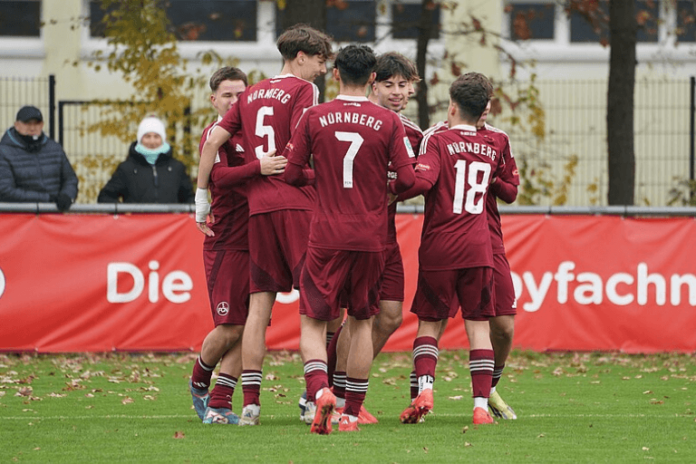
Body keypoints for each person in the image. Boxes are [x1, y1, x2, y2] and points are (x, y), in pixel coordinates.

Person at [195, 24, 332, 426]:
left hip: (259, 211)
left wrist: (200, 199)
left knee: (257, 309)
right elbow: (303, 145)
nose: (323, 69)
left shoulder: (252, 92)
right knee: (317, 306)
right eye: (320, 60)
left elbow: (212, 141)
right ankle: (313, 397)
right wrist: (312, 176)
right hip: (296, 207)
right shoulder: (303, 90)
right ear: (301, 56)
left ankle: (250, 404)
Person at [284, 44, 416, 434]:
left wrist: (319, 177)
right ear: (373, 78)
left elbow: (291, 175)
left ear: (336, 73)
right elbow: (407, 181)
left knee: (313, 321)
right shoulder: (389, 121)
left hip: (326, 233)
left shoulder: (314, 116)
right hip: (372, 236)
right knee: (361, 322)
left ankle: (319, 390)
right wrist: (381, 184)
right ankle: (350, 413)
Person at [395, 72, 503, 426]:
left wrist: (395, 182)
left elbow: (422, 181)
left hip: (440, 246)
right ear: (482, 111)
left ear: (452, 107)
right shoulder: (493, 146)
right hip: (479, 246)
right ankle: (480, 408)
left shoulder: (437, 140)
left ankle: (425, 388)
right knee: (479, 327)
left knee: (429, 323)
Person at [325, 52, 423, 424]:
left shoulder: (411, 132)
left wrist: (397, 187)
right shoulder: (346, 120)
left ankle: (345, 390)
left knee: (391, 315)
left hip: (385, 236)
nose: (397, 92)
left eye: (404, 84)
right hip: (348, 233)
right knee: (354, 316)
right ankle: (336, 395)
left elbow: (415, 179)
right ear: (371, 83)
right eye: (388, 84)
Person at [190, 66, 286, 425]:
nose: (236, 101)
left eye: (241, 94)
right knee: (230, 325)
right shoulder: (215, 135)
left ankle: (219, 402)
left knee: (249, 327)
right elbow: (219, 178)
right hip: (227, 240)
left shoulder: (260, 134)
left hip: (262, 236)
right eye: (227, 95)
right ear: (214, 99)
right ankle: (200, 379)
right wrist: (258, 168)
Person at [97, 116, 194, 204]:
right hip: (136, 224)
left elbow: (190, 198)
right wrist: (123, 213)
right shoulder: (127, 168)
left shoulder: (176, 168)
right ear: (140, 139)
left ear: (163, 139)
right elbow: (105, 197)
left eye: (156, 136)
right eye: (147, 136)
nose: (152, 141)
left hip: (172, 224)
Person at [0, 105, 78, 210]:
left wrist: (67, 196)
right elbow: (5, 190)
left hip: (54, 215)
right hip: (20, 218)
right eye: (27, 123)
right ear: (16, 125)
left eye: (36, 123)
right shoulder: (4, 152)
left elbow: (70, 179)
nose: (32, 128)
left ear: (42, 125)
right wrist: (48, 199)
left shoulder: (54, 148)